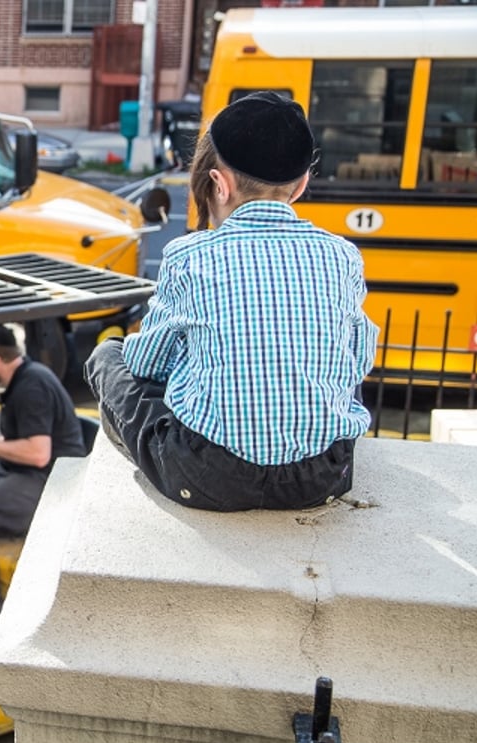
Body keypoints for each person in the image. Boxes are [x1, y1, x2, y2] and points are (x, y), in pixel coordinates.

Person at [84, 91, 379, 512]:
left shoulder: (191, 255)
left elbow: (147, 367)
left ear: (218, 184)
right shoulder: (343, 255)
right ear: (300, 186)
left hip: (209, 479)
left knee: (107, 355)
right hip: (321, 478)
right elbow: (356, 363)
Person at [0, 323, 93, 659]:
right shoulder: (19, 382)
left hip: (50, 484)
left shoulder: (32, 386)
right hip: (26, 472)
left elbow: (37, 452)